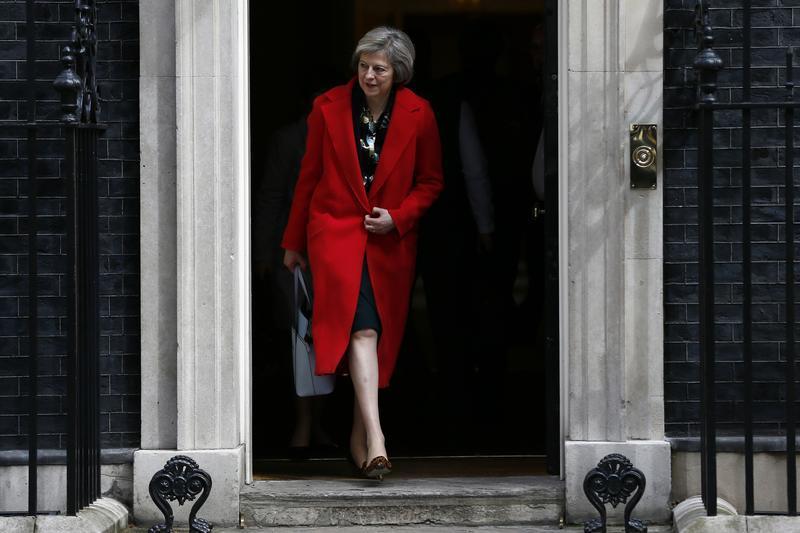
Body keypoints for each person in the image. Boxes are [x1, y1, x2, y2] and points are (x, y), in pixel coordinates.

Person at [281, 26, 444, 479]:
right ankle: (376, 439)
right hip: (333, 235)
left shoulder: (420, 114)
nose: (369, 76)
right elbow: (308, 176)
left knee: (371, 336)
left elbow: (431, 182)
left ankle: (356, 437)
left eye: (379, 68)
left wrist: (400, 216)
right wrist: (294, 241)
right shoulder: (327, 106)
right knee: (362, 332)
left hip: (388, 243)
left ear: (399, 73)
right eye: (363, 66)